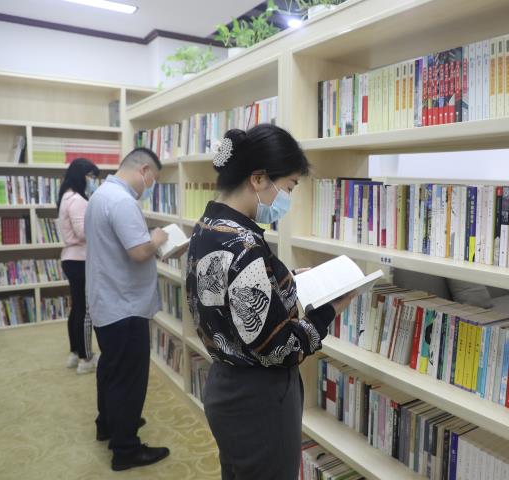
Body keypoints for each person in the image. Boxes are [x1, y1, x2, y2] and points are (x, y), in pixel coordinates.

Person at [186, 124, 357, 480]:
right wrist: (329, 311)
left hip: (224, 385)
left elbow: (224, 293)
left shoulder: (208, 226)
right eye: (289, 187)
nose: (288, 198)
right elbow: (280, 349)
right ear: (259, 178)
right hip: (258, 399)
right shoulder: (245, 244)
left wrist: (284, 279)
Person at [85, 147, 170, 471]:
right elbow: (138, 252)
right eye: (153, 179)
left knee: (110, 370)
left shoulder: (101, 195)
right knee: (129, 379)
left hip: (108, 302)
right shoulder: (122, 201)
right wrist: (157, 238)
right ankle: (126, 449)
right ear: (144, 170)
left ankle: (108, 424)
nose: (150, 186)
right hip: (125, 306)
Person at [57, 158, 100, 374]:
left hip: (71, 258)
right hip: (80, 259)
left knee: (77, 309)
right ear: (81, 176)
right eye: (91, 176)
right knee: (85, 312)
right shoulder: (77, 200)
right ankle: (86, 358)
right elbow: (83, 232)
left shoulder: (66, 197)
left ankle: (75, 353)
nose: (93, 180)